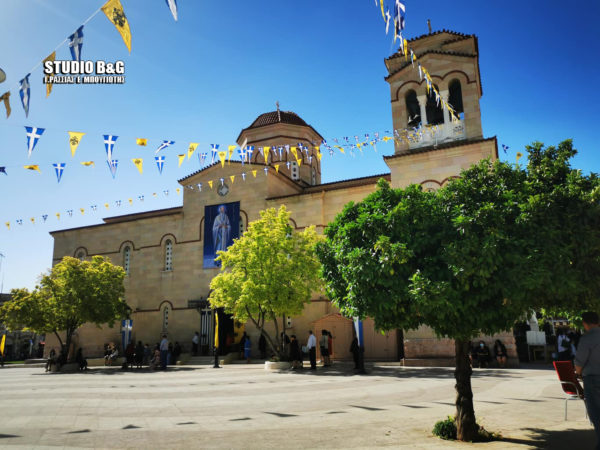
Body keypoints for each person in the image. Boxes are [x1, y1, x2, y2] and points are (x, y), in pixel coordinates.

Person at [575, 311, 600, 449]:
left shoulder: (587, 338)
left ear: (584, 323)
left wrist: (578, 373)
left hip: (592, 379)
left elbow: (579, 362)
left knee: (596, 412)